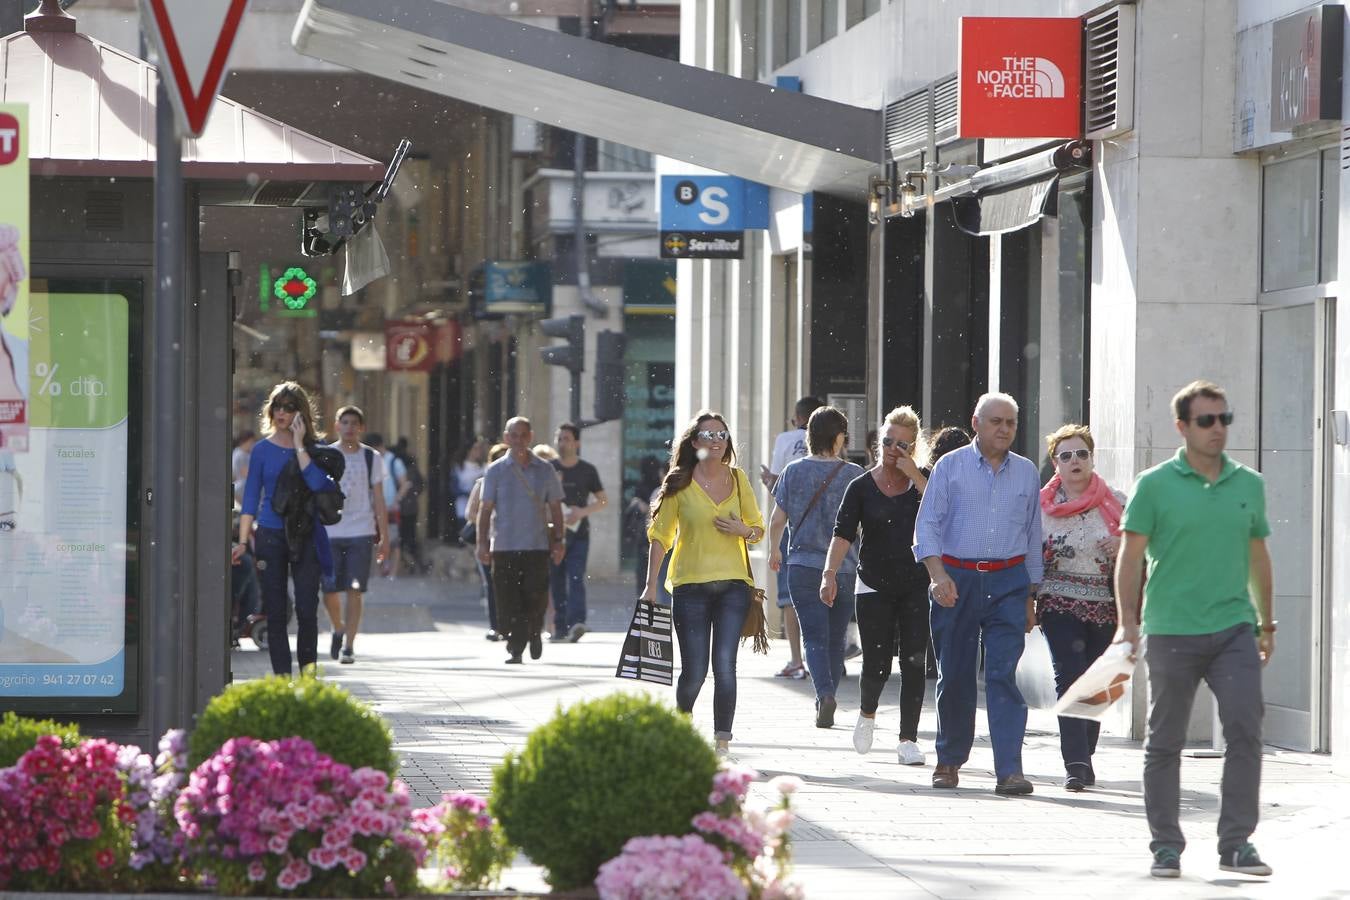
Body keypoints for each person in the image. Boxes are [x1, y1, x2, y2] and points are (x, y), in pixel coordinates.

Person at [1114, 380, 1275, 880]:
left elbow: (1257, 556)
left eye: (1224, 419)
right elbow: (1130, 556)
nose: (1218, 430)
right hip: (1170, 630)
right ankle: (1166, 845)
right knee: (1165, 742)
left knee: (1246, 732)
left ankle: (1237, 843)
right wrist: (1127, 622)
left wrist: (1265, 621)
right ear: (1182, 427)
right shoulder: (1155, 484)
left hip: (1234, 629)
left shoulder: (1249, 483)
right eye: (1207, 421)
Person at [913, 392, 1042, 796]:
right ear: (976, 423)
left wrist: (1030, 595)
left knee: (1003, 674)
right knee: (955, 674)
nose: (1004, 430)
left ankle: (1010, 770)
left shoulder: (1026, 472)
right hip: (957, 579)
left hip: (1008, 581)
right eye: (996, 422)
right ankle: (949, 759)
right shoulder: (949, 468)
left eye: (1011, 423)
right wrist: (937, 575)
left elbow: (1034, 534)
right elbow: (927, 526)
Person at [644, 411, 765, 756]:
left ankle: (722, 742)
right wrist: (650, 584)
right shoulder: (679, 482)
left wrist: (744, 530)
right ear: (694, 442)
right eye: (708, 436)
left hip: (733, 585)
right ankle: (681, 728)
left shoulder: (739, 480)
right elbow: (660, 537)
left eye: (721, 436)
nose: (715, 442)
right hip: (690, 585)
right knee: (695, 670)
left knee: (725, 665)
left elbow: (757, 530)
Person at [822, 406, 931, 764]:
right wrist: (829, 575)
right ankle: (867, 713)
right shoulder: (860, 487)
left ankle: (907, 739)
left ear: (912, 448)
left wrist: (915, 476)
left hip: (916, 582)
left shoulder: (924, 482)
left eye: (902, 444)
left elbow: (940, 516)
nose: (892, 448)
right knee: (878, 663)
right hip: (872, 583)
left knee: (915, 662)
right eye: (887, 440)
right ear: (877, 441)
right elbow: (842, 534)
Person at [1036, 424, 1126, 792]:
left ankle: (1084, 753)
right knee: (1069, 678)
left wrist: (1121, 546)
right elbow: (1029, 553)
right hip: (1057, 599)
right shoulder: (1042, 507)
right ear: (1055, 463)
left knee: (1098, 683)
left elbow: (1143, 549)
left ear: (1092, 458)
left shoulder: (1117, 500)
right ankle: (1075, 763)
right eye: (1066, 455)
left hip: (1105, 603)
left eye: (1082, 454)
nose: (1075, 461)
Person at [233, 382, 340, 676]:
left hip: (306, 534)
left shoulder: (315, 450)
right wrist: (243, 542)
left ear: (301, 413)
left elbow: (319, 485)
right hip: (270, 534)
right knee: (276, 612)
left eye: (290, 407)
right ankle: (282, 681)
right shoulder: (261, 450)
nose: (282, 413)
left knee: (307, 608)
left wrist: (299, 445)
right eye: (278, 407)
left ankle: (307, 679)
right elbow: (252, 497)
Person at [768, 406, 865, 728]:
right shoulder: (854, 475)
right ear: (839, 438)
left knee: (814, 636)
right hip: (845, 568)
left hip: (803, 565)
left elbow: (777, 520)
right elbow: (863, 528)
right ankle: (829, 694)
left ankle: (824, 695)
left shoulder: (793, 472)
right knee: (836, 638)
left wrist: (774, 552)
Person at [476, 417, 566, 665]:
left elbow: (556, 508)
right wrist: (482, 543)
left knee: (535, 597)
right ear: (506, 438)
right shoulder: (495, 471)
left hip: (536, 545)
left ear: (530, 437)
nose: (518, 440)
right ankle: (516, 647)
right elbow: (485, 510)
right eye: (513, 435)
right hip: (504, 545)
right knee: (506, 599)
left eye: (522, 435)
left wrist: (559, 540)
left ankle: (534, 631)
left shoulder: (545, 470)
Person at [321, 406, 390, 665]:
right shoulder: (326, 455)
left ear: (361, 428)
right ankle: (338, 627)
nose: (350, 427)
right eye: (345, 422)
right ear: (336, 425)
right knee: (328, 590)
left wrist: (385, 537)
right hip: (330, 531)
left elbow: (379, 499)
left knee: (355, 589)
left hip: (361, 531)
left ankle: (349, 644)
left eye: (354, 423)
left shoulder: (372, 458)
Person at [760, 395, 821, 680]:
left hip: (792, 529)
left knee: (791, 598)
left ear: (797, 418)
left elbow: (777, 487)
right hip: (825, 531)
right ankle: (828, 657)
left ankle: (797, 660)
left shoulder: (785, 440)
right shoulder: (834, 444)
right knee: (825, 594)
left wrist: (768, 480)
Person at [550, 423, 607, 642]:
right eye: (559, 438)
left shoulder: (587, 470)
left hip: (579, 534)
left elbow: (603, 500)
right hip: (554, 533)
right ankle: (559, 627)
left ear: (576, 443)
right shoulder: (549, 468)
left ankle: (577, 623)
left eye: (566, 438)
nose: (562, 443)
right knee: (556, 579)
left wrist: (582, 511)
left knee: (575, 577)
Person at [465, 442, 509, 641]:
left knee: (510, 584)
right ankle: (496, 626)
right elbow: (470, 512)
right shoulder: (482, 483)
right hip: (488, 540)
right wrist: (488, 518)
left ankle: (510, 625)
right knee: (491, 585)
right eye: (497, 457)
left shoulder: (516, 484)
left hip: (510, 541)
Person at [369, 433, 406, 578]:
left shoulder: (393, 461)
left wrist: (397, 500)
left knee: (394, 541)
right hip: (374, 508)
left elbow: (404, 483)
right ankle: (378, 570)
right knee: (376, 539)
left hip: (390, 507)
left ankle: (393, 572)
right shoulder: (372, 460)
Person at [393, 437, 426, 574]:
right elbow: (421, 484)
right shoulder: (410, 463)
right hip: (410, 506)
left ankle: (406, 564)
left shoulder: (395, 461)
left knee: (400, 538)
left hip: (400, 506)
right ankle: (413, 564)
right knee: (410, 537)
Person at [231, 430, 257, 505]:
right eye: (251, 442)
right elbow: (245, 473)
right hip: (241, 484)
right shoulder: (239, 454)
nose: (252, 444)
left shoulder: (248, 454)